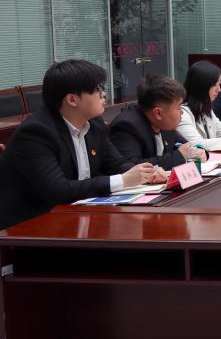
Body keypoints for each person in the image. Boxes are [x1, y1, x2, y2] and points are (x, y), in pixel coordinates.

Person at [0, 60, 164, 226]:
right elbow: (58, 191)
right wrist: (123, 180)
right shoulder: (36, 133)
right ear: (72, 99)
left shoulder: (94, 124)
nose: (104, 95)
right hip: (28, 226)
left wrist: (147, 173)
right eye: (98, 89)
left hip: (77, 217)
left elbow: (117, 164)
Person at [110, 74, 207, 169]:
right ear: (158, 113)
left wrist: (199, 152)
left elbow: (187, 147)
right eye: (178, 107)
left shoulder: (165, 125)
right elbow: (131, 167)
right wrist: (179, 156)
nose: (182, 112)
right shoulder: (127, 126)